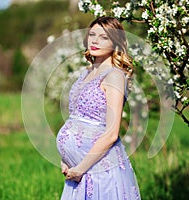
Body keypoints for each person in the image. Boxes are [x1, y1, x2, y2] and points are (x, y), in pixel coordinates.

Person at [56, 16, 141, 199]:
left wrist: (80, 168)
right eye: (92, 35)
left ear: (115, 42)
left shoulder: (114, 76)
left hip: (99, 171)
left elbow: (111, 133)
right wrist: (66, 157)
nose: (95, 41)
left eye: (104, 37)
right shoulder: (86, 73)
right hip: (78, 171)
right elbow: (76, 118)